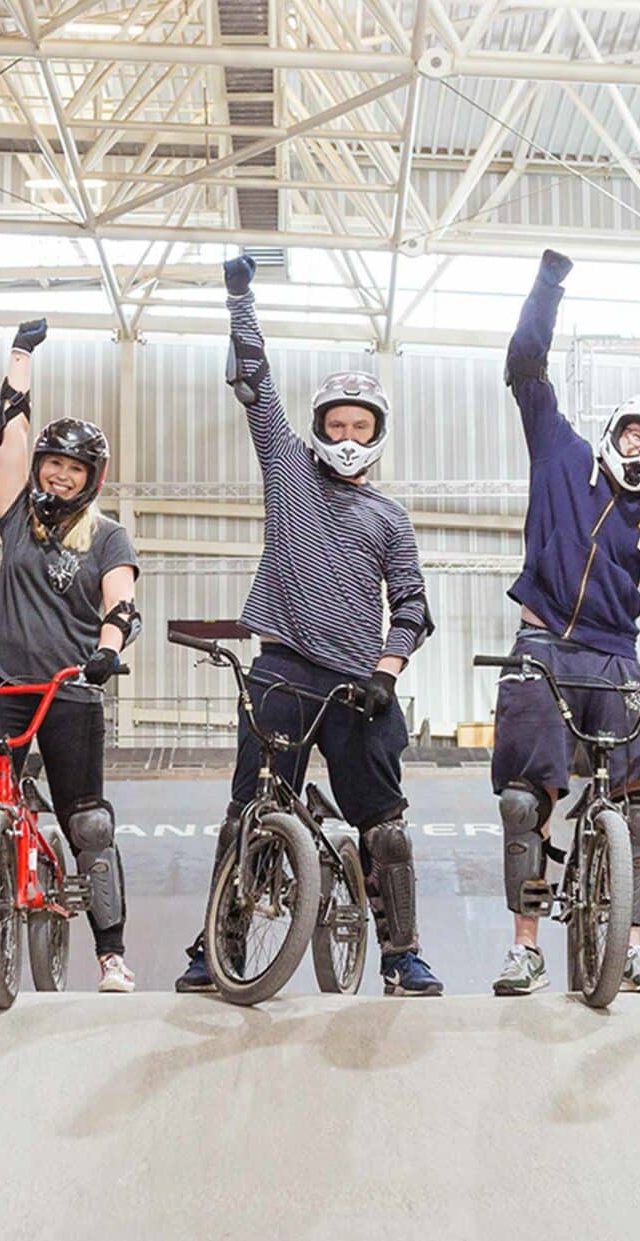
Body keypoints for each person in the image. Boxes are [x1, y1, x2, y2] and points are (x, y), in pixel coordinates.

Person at [177, 253, 442, 997]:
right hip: (283, 669)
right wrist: (240, 301)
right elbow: (256, 388)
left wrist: (386, 675)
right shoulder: (289, 468)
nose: (349, 434)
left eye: (361, 424)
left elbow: (414, 607)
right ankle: (216, 946)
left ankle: (403, 956)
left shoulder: (390, 517)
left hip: (360, 688)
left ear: (378, 432)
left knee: (384, 825)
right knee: (249, 811)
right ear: (321, 427)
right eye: (337, 422)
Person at [488, 249, 640, 998]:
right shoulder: (560, 454)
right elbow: (526, 365)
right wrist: (548, 287)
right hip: (544, 649)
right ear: (616, 431)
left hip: (616, 662)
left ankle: (628, 944)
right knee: (529, 800)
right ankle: (525, 946)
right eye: (637, 434)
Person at [0, 319, 143, 994]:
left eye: (75, 468)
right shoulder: (15, 513)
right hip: (2, 685)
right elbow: (11, 426)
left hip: (71, 690)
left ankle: (111, 955)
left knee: (89, 823)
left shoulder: (107, 535)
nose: (61, 473)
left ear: (91, 478)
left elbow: (121, 603)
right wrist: (21, 356)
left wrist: (107, 651)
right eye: (55, 462)